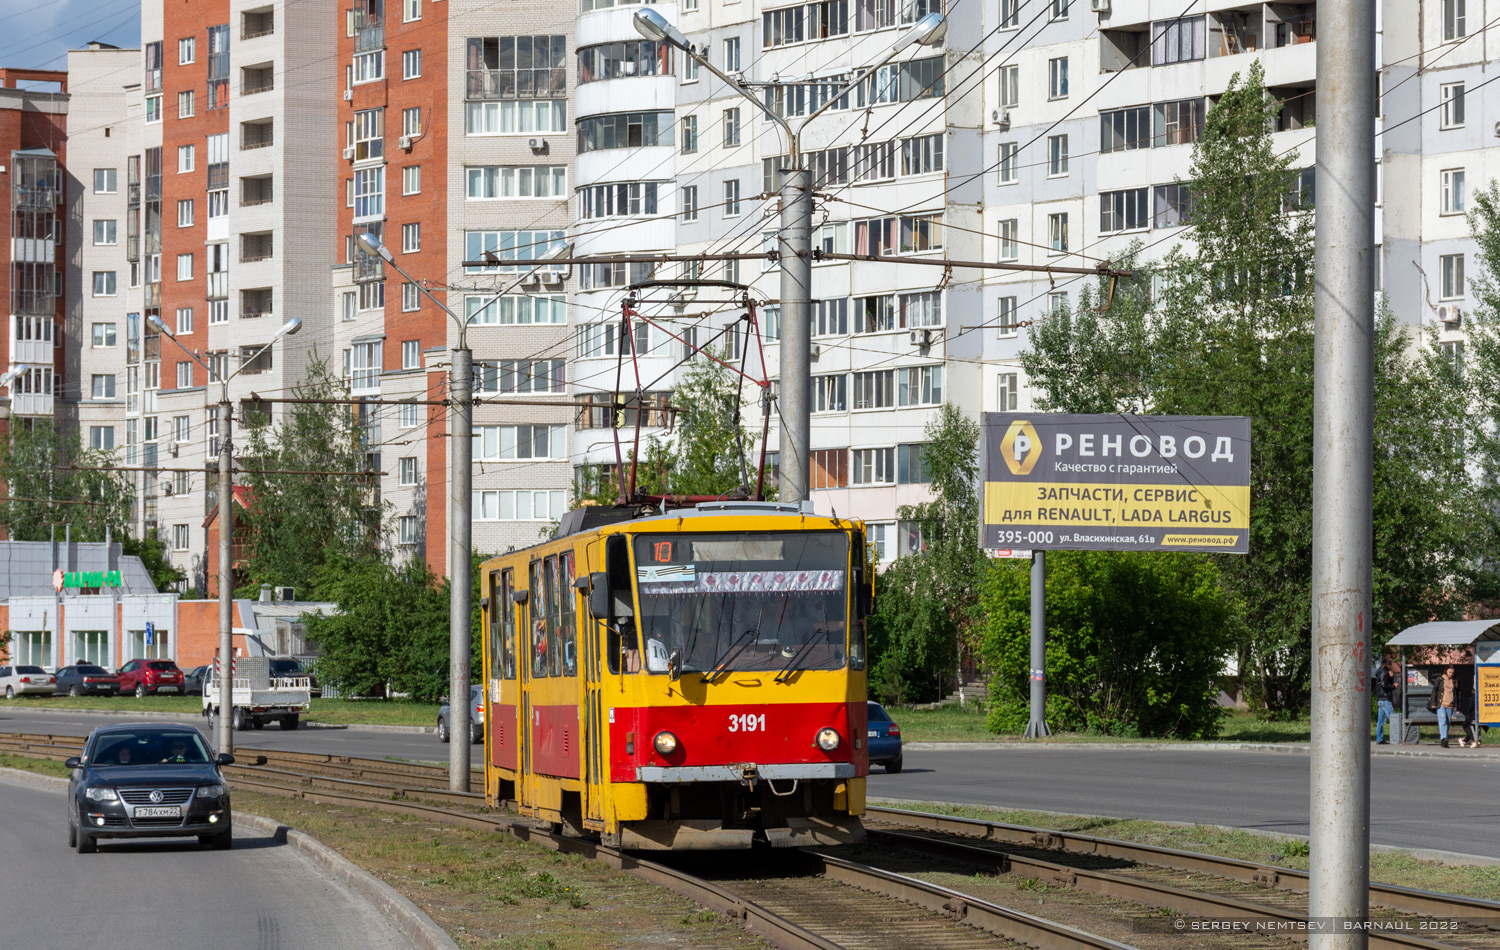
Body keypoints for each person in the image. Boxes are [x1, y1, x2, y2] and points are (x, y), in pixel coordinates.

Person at [1374, 657, 1399, 744]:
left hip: (1380, 699)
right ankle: (1397, 737)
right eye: (1390, 665)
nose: (1391, 667)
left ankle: (1379, 739)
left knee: (1380, 721)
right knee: (1393, 718)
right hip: (1385, 699)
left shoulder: (1379, 671)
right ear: (1387, 665)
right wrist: (1394, 686)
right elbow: (1384, 685)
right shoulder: (1384, 672)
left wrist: (1390, 677)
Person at [1432, 665, 1458, 748]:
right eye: (1449, 672)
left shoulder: (1454, 681)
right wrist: (1433, 702)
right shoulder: (1440, 679)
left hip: (1450, 705)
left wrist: (1457, 707)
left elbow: (1457, 694)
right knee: (1442, 720)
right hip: (1441, 704)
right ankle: (1444, 739)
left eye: (1452, 673)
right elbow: (1435, 690)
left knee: (1448, 722)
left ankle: (1444, 740)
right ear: (1446, 671)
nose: (1451, 674)